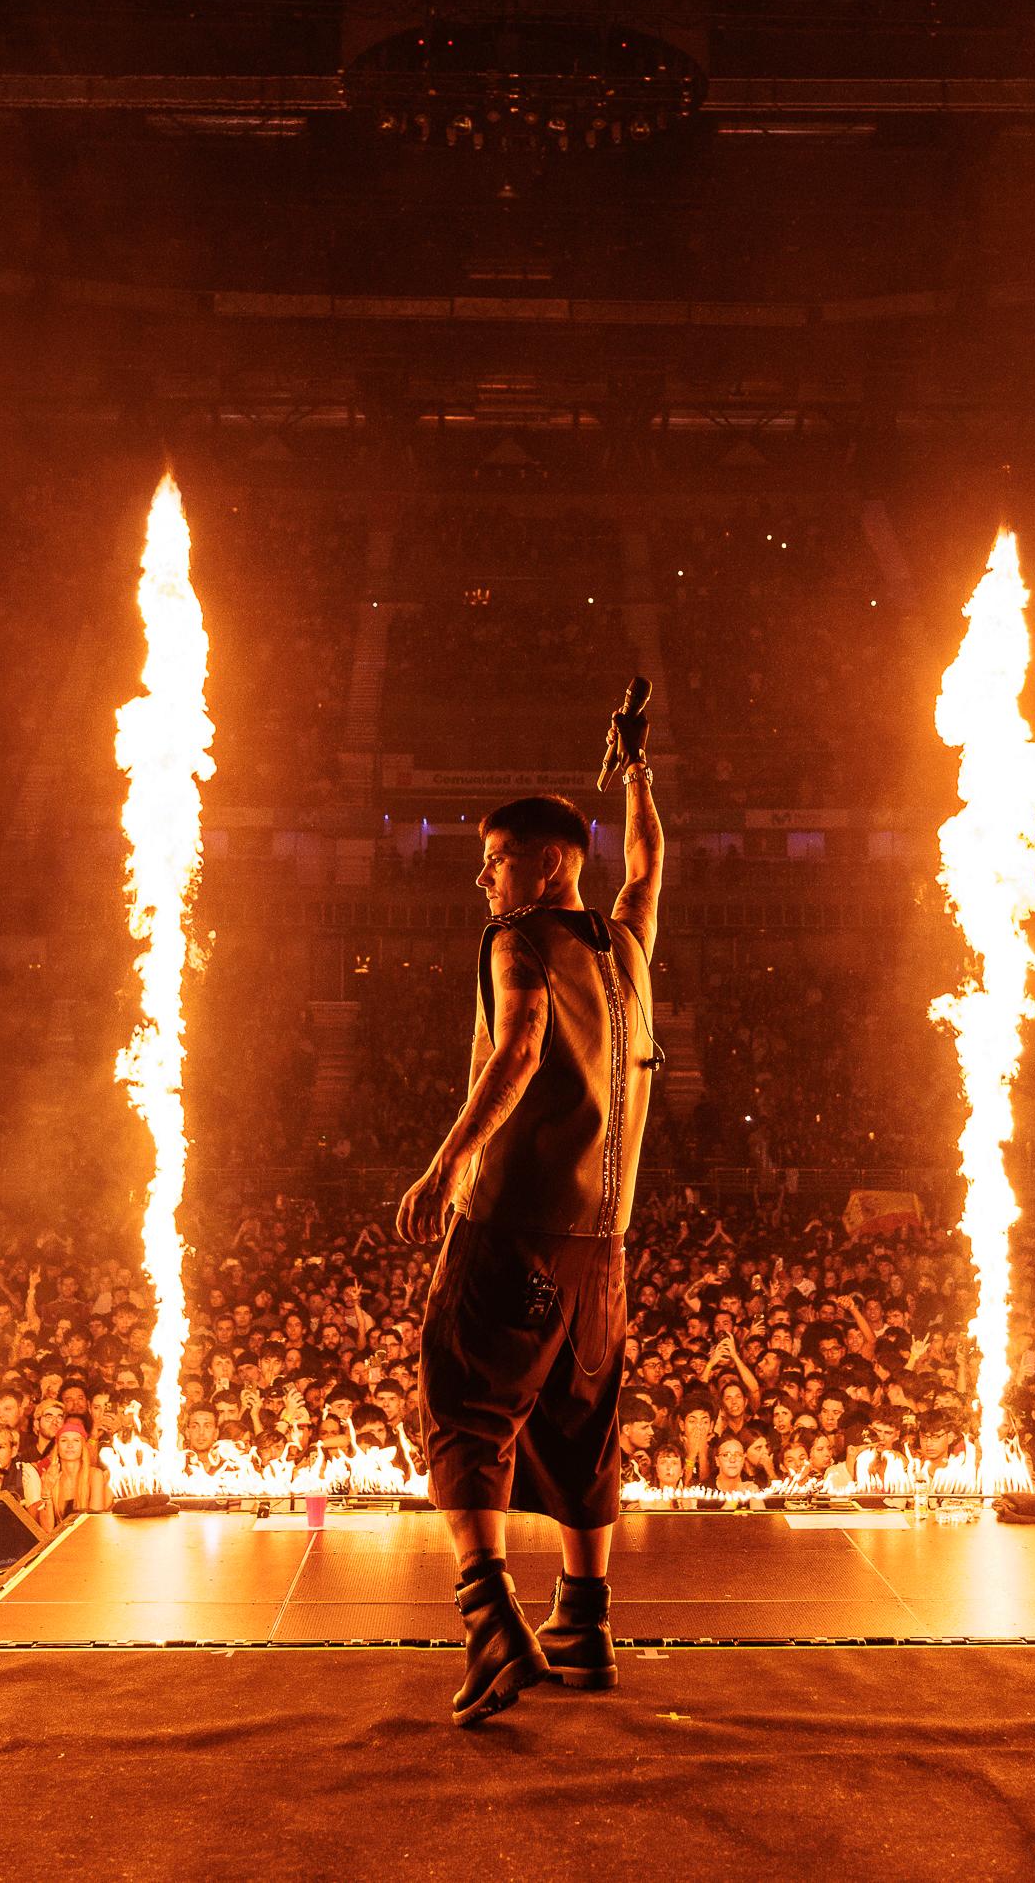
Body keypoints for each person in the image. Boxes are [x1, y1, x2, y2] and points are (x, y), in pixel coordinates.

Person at [395, 733, 662, 1728]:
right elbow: (646, 866)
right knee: (581, 1425)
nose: (483, 877)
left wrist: (445, 1163)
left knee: (465, 1403)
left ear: (548, 863)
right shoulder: (625, 943)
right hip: (603, 1248)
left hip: (515, 1226)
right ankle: (583, 1627)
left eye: (496, 858)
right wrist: (636, 775)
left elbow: (515, 1052)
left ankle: (490, 1622)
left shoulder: (520, 942)